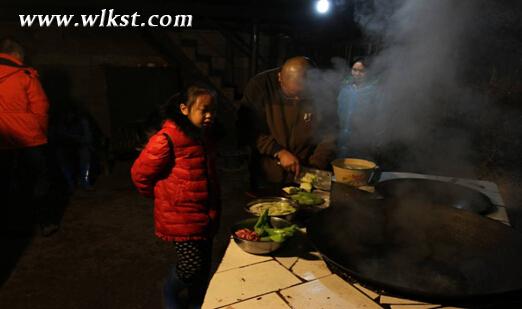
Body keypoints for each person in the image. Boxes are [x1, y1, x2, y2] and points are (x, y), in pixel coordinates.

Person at [131, 84, 221, 309]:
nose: (209, 116)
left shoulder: (202, 135)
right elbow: (139, 174)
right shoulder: (166, 139)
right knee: (190, 266)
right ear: (184, 109)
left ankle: (196, 301)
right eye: (204, 110)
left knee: (203, 266)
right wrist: (162, 197)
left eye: (213, 110)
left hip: (206, 212)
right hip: (181, 216)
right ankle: (169, 289)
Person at [241, 56, 337, 191]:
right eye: (291, 95)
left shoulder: (324, 90)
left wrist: (316, 165)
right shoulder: (260, 86)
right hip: (268, 173)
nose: (297, 100)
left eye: (303, 95)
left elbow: (330, 133)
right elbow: (247, 128)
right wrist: (278, 151)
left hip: (308, 170)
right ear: (280, 78)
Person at [0, 37, 58, 236]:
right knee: (39, 179)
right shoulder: (25, 75)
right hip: (28, 139)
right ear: (16, 55)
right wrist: (39, 132)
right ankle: (44, 221)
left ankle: (11, 225)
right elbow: (41, 108)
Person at [336, 57, 380, 159]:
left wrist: (376, 142)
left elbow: (379, 117)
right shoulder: (345, 89)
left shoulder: (374, 92)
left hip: (363, 139)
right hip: (342, 137)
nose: (357, 74)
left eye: (361, 71)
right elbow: (337, 111)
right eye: (354, 70)